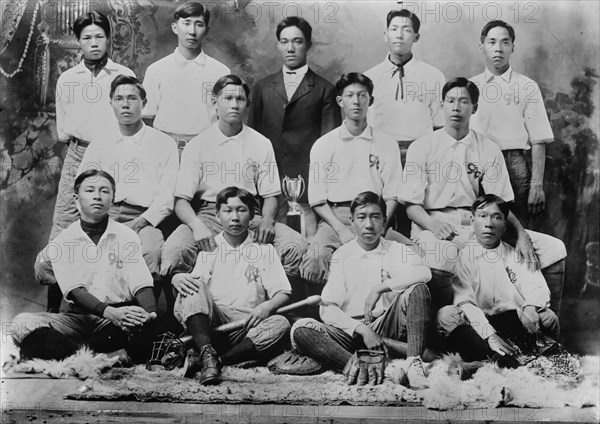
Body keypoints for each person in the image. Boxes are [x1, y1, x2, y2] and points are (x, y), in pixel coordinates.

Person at [400, 77, 566, 313]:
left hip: (477, 223)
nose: (456, 107)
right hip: (430, 225)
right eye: (450, 101)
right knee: (444, 256)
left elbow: (498, 204)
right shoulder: (422, 146)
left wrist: (521, 234)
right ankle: (445, 329)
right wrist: (434, 225)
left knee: (552, 247)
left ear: (474, 108)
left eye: (464, 102)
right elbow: (411, 206)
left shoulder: (487, 148)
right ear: (442, 105)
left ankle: (544, 323)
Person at [160, 75, 308, 298]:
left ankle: (281, 309)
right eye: (228, 98)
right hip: (209, 215)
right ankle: (182, 319)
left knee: (296, 247)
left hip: (251, 215)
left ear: (246, 104)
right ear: (215, 103)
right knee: (174, 251)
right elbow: (181, 200)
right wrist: (196, 225)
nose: (234, 104)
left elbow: (270, 195)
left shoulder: (260, 142)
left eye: (240, 99)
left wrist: (267, 221)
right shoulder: (198, 144)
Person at [11, 170, 157, 363]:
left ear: (112, 199)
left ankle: (71, 353)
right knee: (21, 324)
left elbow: (141, 282)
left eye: (104, 191)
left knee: (139, 327)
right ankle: (95, 354)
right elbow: (75, 291)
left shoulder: (126, 236)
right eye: (90, 190)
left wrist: (150, 312)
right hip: (79, 320)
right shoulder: (63, 241)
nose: (97, 196)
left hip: (116, 319)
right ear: (76, 199)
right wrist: (110, 313)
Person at [291, 192, 432, 388]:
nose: (369, 224)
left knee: (418, 288)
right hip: (351, 332)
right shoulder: (342, 255)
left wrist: (381, 288)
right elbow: (328, 308)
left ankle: (412, 364)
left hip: (385, 324)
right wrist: (362, 330)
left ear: (384, 220)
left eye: (375, 217)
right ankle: (356, 365)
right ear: (352, 221)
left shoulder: (396, 249)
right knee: (302, 328)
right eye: (362, 217)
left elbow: (425, 272)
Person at [47, 11, 136, 310]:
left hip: (114, 153)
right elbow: (63, 130)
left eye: (100, 36)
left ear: (109, 39)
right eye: (87, 38)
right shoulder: (68, 79)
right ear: (78, 42)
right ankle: (52, 310)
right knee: (63, 228)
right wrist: (76, 156)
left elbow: (131, 120)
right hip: (78, 152)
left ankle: (117, 305)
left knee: (113, 223)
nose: (94, 43)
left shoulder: (124, 75)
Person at [299, 72, 412, 288]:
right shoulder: (324, 145)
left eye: (362, 95)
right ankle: (319, 317)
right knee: (315, 256)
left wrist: (379, 227)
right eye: (350, 95)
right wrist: (341, 229)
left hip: (376, 217)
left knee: (413, 255)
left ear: (370, 100)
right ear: (340, 101)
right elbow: (317, 200)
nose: (356, 101)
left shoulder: (386, 143)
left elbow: (392, 195)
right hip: (336, 219)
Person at [172, 187, 292, 385]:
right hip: (214, 324)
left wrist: (267, 306)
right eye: (228, 211)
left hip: (248, 325)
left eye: (241, 210)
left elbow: (283, 292)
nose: (234, 217)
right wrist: (176, 278)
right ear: (218, 215)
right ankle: (207, 350)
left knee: (280, 323)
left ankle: (215, 361)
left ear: (252, 215)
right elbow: (194, 295)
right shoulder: (209, 249)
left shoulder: (264, 250)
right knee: (194, 286)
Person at [77, 75, 179, 292]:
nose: (125, 104)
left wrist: (140, 223)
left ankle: (146, 315)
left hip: (145, 219)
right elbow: (83, 186)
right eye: (119, 98)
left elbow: (166, 198)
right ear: (111, 103)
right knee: (84, 252)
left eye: (132, 98)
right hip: (104, 216)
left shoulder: (164, 143)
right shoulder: (100, 142)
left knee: (150, 252)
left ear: (144, 103)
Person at [436, 194, 560, 363]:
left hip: (515, 321)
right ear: (472, 221)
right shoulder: (463, 255)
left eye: (496, 217)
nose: (489, 224)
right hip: (480, 323)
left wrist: (530, 308)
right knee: (445, 316)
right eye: (482, 216)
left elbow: (537, 287)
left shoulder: (515, 254)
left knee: (549, 318)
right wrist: (489, 334)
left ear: (504, 225)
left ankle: (497, 361)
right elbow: (465, 302)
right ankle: (501, 359)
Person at [247, 16, 341, 229]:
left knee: (304, 245)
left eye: (297, 41)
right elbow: (251, 139)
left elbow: (331, 148)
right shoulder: (263, 87)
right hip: (268, 189)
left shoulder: (325, 89)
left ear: (308, 45)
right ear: (278, 45)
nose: (290, 48)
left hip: (308, 190)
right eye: (285, 41)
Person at [470, 21, 554, 226]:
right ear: (482, 47)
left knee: (517, 228)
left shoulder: (527, 86)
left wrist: (536, 184)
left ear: (512, 47)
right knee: (480, 228)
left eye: (505, 42)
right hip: (477, 164)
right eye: (492, 42)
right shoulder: (471, 86)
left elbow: (539, 139)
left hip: (514, 165)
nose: (498, 48)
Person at [142, 1, 230, 152]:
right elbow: (146, 118)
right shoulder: (156, 70)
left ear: (206, 30)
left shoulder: (221, 72)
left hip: (207, 149)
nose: (192, 31)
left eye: (199, 24)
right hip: (164, 149)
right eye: (187, 23)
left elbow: (226, 119)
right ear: (175, 27)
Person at [364, 9, 445, 164]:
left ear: (416, 37)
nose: (399, 35)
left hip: (422, 155)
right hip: (379, 155)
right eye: (393, 29)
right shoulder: (369, 78)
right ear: (385, 35)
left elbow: (439, 125)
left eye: (406, 30)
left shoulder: (434, 76)